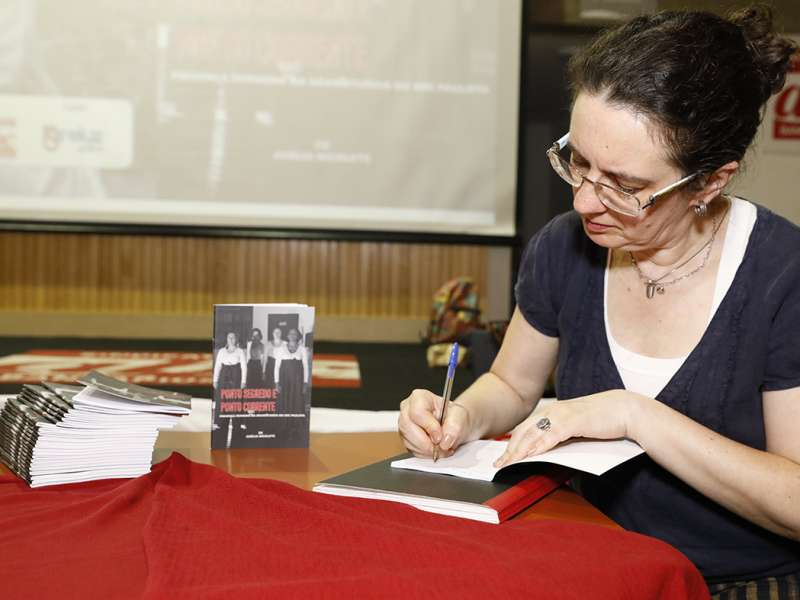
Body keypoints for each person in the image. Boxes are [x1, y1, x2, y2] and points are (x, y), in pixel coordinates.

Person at [399, 6, 799, 598]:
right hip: (592, 559)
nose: (585, 202)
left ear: (710, 182)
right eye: (578, 163)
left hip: (739, 583)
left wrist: (635, 415)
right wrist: (461, 416)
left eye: (626, 186)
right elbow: (511, 385)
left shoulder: (782, 276)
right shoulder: (564, 247)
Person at [274, 328, 309, 414]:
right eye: (290, 333)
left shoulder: (302, 349)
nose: (292, 335)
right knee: (284, 401)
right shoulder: (281, 349)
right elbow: (277, 367)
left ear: (297, 336)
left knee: (297, 401)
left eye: (294, 334)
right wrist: (276, 382)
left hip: (297, 381)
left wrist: (305, 383)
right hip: (284, 380)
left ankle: (295, 421)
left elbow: (305, 366)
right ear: (287, 336)